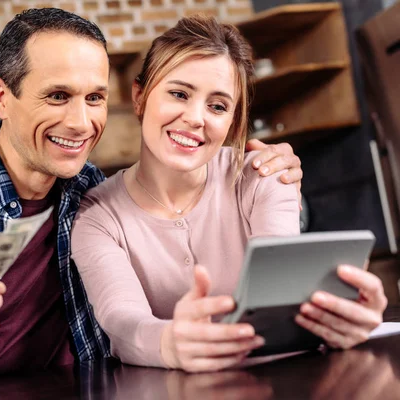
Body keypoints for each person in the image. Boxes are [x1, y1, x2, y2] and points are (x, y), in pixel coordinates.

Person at [0, 8, 303, 395]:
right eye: (57, 96)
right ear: (2, 97)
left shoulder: (87, 195)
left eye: (93, 98)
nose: (80, 122)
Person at [71, 14, 387, 373]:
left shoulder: (263, 176)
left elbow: (283, 296)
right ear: (140, 97)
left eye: (218, 106)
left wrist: (339, 317)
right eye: (179, 93)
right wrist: (169, 343)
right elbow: (122, 322)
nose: (195, 117)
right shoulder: (97, 215)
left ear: (233, 120)